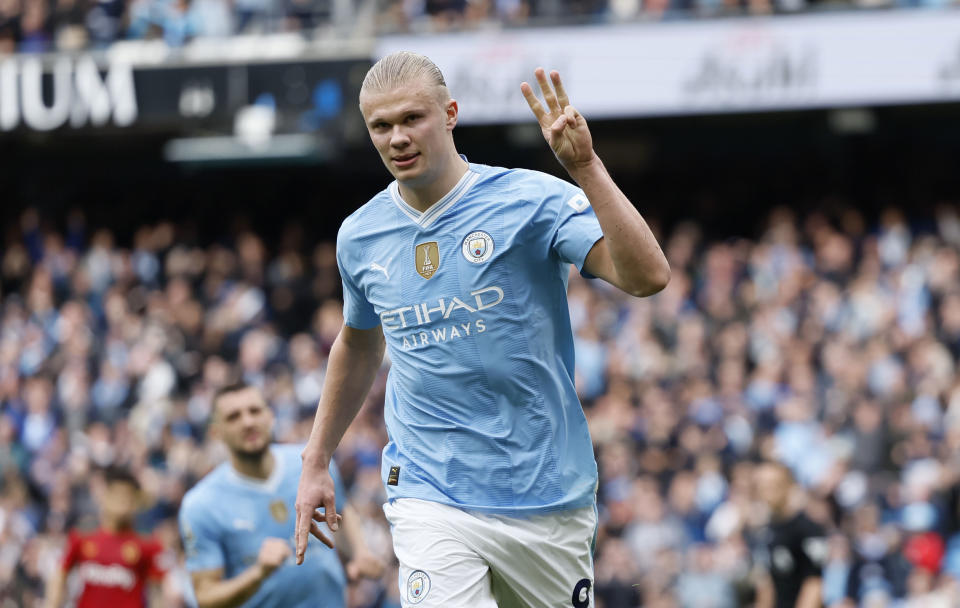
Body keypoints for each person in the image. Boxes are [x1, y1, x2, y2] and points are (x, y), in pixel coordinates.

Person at [294, 51, 670, 607]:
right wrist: (316, 459)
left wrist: (587, 169)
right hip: (430, 489)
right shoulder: (360, 236)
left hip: (545, 492)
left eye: (411, 118)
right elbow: (358, 339)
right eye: (381, 125)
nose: (397, 137)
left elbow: (647, 277)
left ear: (449, 113)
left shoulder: (530, 200)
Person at [178, 382, 383, 608]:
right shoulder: (201, 504)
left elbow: (341, 512)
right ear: (216, 432)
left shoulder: (312, 465)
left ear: (270, 416)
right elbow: (206, 597)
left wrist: (360, 552)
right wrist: (259, 573)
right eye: (233, 417)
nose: (248, 422)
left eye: (254, 411)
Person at [45, 466, 168, 608]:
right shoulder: (82, 536)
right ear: (106, 495)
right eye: (118, 495)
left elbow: (157, 593)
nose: (123, 502)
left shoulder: (148, 544)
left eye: (128, 497)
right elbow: (60, 575)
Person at [752, 461, 829, 608]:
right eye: (762, 486)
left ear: (788, 485)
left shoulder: (808, 529)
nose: (767, 490)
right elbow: (767, 584)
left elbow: (814, 584)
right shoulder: (766, 531)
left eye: (773, 485)